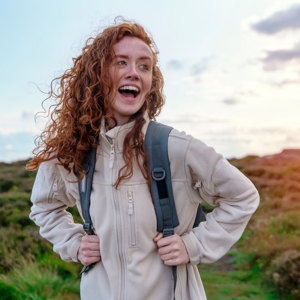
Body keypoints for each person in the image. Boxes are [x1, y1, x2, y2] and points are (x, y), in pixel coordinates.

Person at [27, 19, 259, 300]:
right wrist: (73, 243)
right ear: (96, 74)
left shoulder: (176, 147)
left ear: (151, 82)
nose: (134, 73)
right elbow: (45, 208)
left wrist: (192, 246)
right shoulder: (71, 152)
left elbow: (243, 195)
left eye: (144, 66)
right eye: (121, 62)